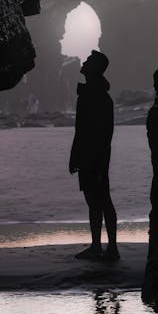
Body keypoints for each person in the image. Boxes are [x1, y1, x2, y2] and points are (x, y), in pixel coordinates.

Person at [68, 49, 119, 260]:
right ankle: (98, 246)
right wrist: (75, 157)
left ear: (95, 69)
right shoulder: (91, 95)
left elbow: (102, 134)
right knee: (93, 200)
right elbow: (81, 131)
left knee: (102, 200)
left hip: (95, 157)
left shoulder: (98, 98)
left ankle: (110, 248)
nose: (84, 62)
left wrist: (94, 161)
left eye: (89, 60)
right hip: (89, 156)